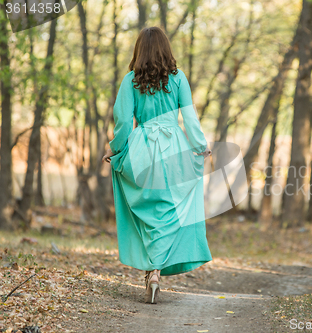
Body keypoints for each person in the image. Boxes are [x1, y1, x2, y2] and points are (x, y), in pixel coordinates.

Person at [102, 26, 212, 304]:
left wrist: (116, 150)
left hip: (142, 150)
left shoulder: (130, 80)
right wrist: (200, 146)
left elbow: (125, 122)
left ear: (139, 50)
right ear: (166, 49)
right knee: (169, 210)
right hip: (173, 149)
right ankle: (155, 271)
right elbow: (189, 116)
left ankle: (151, 269)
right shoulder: (178, 78)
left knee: (146, 212)